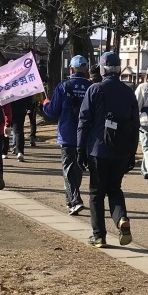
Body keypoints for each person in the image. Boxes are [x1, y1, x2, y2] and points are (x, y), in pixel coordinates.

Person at [77, 51, 138, 248]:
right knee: (114, 189)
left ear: (103, 69)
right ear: (119, 70)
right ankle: (121, 219)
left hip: (98, 149)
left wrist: (80, 149)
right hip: (121, 150)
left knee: (96, 193)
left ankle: (99, 236)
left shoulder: (94, 90)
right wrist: (132, 153)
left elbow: (84, 122)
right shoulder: (129, 92)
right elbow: (135, 126)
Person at [43, 55, 92, 215]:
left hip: (67, 133)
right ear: (86, 69)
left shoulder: (63, 87)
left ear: (71, 69)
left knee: (68, 168)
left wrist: (45, 104)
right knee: (77, 168)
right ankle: (71, 201)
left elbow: (53, 111)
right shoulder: (92, 87)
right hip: (86, 135)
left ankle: (75, 200)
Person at [9, 94, 33, 161]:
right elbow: (28, 93)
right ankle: (20, 152)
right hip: (21, 107)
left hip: (8, 107)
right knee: (19, 131)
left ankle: (4, 151)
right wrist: (29, 106)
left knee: (6, 129)